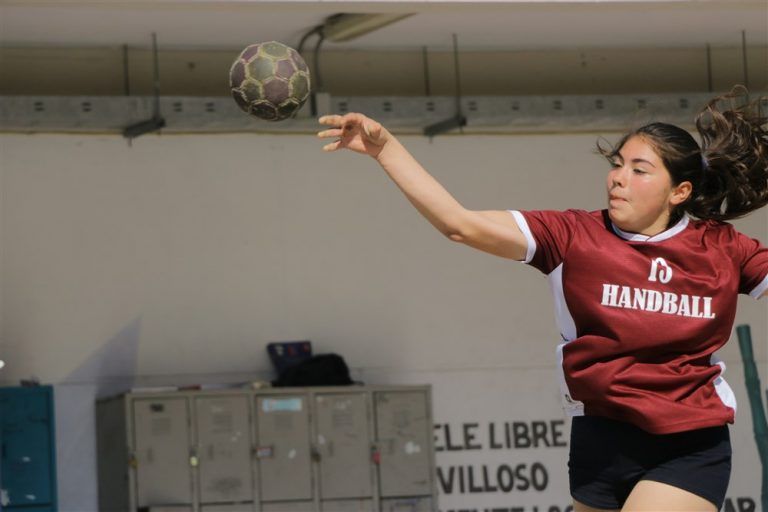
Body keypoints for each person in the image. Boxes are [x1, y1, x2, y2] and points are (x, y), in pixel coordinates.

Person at [317, 86, 768, 511]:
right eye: (617, 164)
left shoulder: (722, 249)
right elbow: (459, 224)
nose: (618, 178)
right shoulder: (572, 236)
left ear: (679, 191)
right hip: (600, 440)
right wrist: (386, 149)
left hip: (687, 443)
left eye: (639, 169)